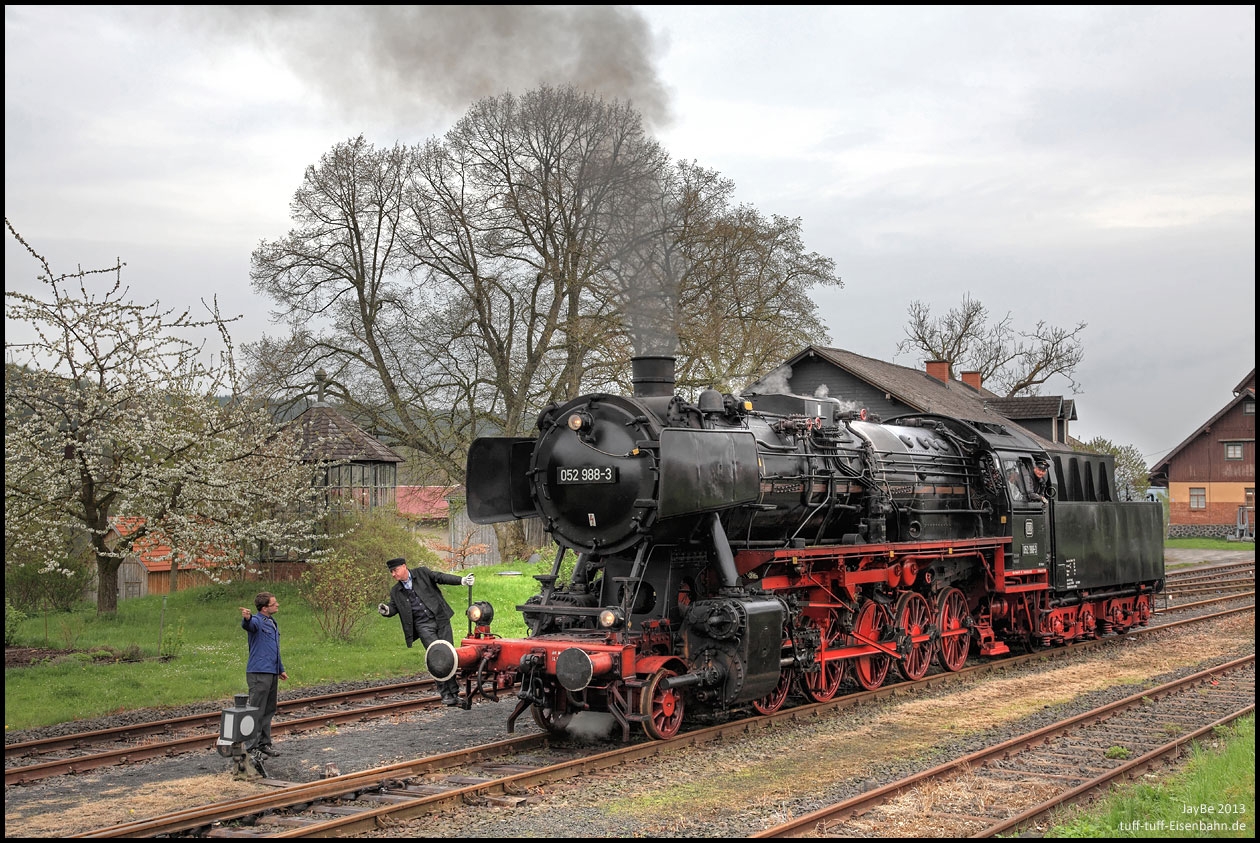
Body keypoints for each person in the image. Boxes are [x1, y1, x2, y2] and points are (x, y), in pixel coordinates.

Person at [379, 557, 474, 706]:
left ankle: (454, 693)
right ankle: (445, 695)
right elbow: (393, 608)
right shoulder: (396, 591)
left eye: (395, 570)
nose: (393, 574)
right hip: (423, 625)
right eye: (391, 572)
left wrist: (461, 580)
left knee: (449, 656)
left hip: (441, 618)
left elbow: (440, 577)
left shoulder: (422, 573)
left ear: (404, 567)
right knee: (436, 657)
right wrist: (386, 611)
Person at [240, 592, 287, 757]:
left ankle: (264, 744)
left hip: (271, 671)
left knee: (268, 709)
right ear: (265, 608)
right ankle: (251, 747)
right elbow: (249, 625)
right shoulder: (257, 621)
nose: (277, 605)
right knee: (256, 709)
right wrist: (247, 618)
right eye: (274, 604)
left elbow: (274, 649)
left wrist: (280, 669)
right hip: (259, 672)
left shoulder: (271, 622)